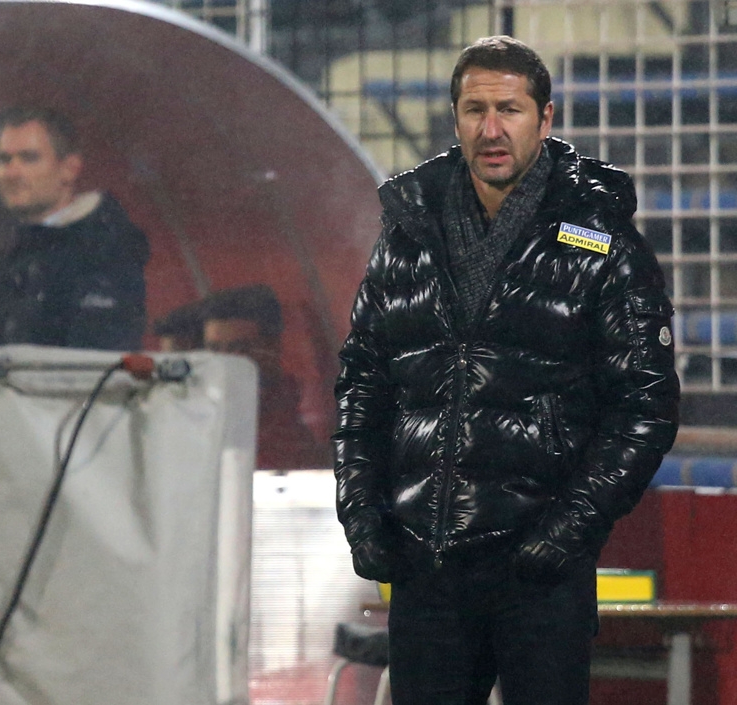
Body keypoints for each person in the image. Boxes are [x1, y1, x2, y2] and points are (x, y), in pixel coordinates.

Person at [332, 36, 679, 705]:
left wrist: (565, 535)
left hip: (539, 574)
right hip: (424, 566)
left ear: (545, 120)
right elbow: (362, 384)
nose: (491, 129)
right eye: (474, 109)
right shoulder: (406, 232)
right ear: (455, 118)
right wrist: (362, 515)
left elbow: (645, 408)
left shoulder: (602, 240)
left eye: (510, 109)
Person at [0, 106, 149, 352]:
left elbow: (93, 360)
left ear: (69, 169)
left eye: (29, 158)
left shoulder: (106, 251)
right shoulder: (17, 249)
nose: (11, 173)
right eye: (4, 160)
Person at [202, 284, 331, 470]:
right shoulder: (196, 415)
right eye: (214, 350)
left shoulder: (287, 433)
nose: (223, 363)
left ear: (271, 349)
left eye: (238, 349)